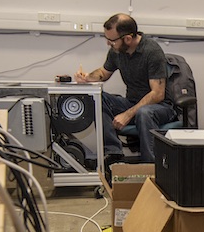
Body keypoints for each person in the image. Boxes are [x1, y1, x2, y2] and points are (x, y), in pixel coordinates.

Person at [75, 13, 178, 172]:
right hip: (133, 103)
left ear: (128, 39)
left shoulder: (152, 51)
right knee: (98, 98)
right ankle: (114, 155)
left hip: (160, 106)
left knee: (144, 112)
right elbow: (103, 73)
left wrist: (128, 114)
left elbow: (157, 94)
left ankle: (150, 169)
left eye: (112, 40)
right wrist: (87, 77)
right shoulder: (117, 51)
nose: (109, 43)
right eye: (107, 39)